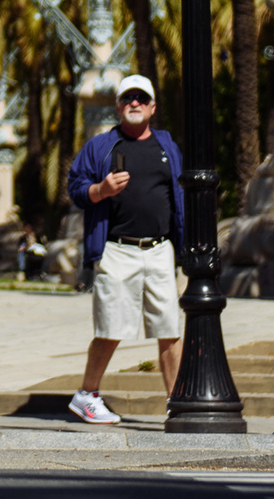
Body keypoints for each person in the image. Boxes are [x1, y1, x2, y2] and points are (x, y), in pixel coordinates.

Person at [63, 74, 187, 426]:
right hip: (117, 250)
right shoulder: (101, 147)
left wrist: (184, 243)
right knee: (110, 326)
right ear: (118, 106)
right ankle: (87, 396)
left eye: (141, 98)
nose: (135, 103)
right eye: (128, 98)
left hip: (160, 250)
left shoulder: (167, 147)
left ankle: (175, 402)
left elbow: (178, 196)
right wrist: (100, 190)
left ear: (152, 107)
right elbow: (75, 188)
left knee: (169, 328)